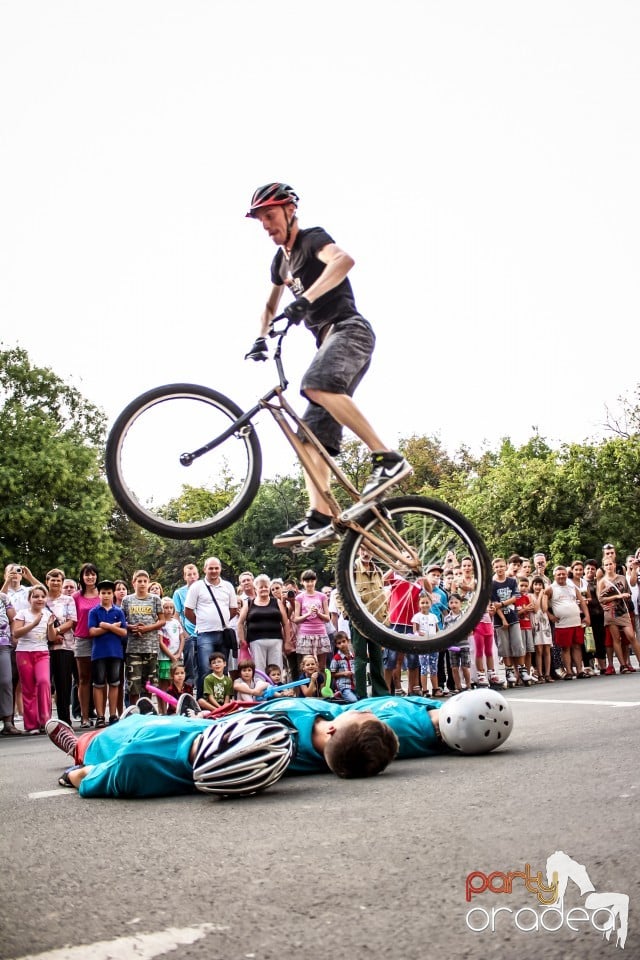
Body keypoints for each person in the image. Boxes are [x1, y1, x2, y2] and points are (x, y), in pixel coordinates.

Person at [244, 182, 411, 547]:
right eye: (261, 220)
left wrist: (307, 299)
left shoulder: (311, 239)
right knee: (308, 436)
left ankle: (388, 459)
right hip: (329, 342)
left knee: (315, 384)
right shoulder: (280, 261)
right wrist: (260, 336)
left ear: (289, 212)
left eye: (270, 216)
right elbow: (270, 305)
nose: (266, 225)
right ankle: (320, 515)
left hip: (351, 331)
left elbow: (343, 261)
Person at [47, 688, 514, 795]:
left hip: (190, 738)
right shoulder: (328, 722)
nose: (364, 706)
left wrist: (83, 777)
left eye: (363, 713)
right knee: (136, 734)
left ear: (334, 731)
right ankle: (83, 743)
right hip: (216, 722)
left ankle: (74, 744)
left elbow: (142, 764)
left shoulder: (280, 747)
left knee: (116, 741)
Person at [184, 557, 237, 698]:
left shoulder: (228, 586)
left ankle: (222, 703)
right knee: (206, 669)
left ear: (220, 569)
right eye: (210, 568)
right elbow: (188, 611)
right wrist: (202, 622)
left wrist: (221, 621)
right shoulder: (197, 586)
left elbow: (233, 609)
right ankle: (203, 702)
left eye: (216, 568)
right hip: (205, 634)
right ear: (204, 569)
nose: (213, 571)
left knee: (222, 671)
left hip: (223, 632)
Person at [13, 584, 57, 733]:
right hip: (24, 653)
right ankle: (31, 725)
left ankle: (45, 721)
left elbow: (51, 638)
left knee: (44, 682)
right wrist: (34, 624)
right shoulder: (22, 613)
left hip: (42, 652)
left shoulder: (47, 614)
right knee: (28, 688)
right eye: (35, 596)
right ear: (29, 599)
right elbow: (16, 633)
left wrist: (50, 626)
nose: (39, 599)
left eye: (42, 596)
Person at [347, 546, 388, 698]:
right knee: (361, 659)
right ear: (357, 551)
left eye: (369, 550)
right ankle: (361, 695)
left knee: (377, 658)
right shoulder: (352, 568)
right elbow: (340, 594)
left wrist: (385, 617)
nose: (366, 553)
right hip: (359, 622)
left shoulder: (378, 570)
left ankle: (381, 693)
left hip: (377, 621)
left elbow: (382, 595)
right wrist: (348, 614)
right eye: (362, 550)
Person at [121, 570, 165, 706]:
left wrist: (147, 628)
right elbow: (122, 621)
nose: (142, 584)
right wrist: (132, 627)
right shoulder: (127, 600)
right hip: (133, 648)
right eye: (139, 581)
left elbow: (162, 621)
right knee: (133, 684)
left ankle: (146, 709)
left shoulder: (155, 599)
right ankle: (134, 711)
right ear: (133, 583)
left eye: (145, 581)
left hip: (150, 647)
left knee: (149, 684)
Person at [88, 580, 127, 726]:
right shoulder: (94, 611)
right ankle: (100, 716)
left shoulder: (118, 611)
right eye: (103, 593)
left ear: (112, 594)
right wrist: (110, 627)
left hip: (115, 652)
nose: (106, 596)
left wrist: (105, 626)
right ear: (99, 594)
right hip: (99, 653)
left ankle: (112, 715)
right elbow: (92, 631)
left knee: (115, 683)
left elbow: (123, 631)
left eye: (109, 593)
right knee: (98, 684)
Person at [236, 574, 289, 674]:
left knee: (276, 670)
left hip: (276, 641)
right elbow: (240, 623)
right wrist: (242, 641)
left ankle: (276, 689)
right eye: (261, 587)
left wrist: (287, 642)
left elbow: (285, 623)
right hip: (256, 642)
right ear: (256, 589)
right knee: (259, 670)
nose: (264, 589)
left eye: (266, 586)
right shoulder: (249, 603)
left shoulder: (277, 602)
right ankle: (261, 689)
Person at [545, 566, 591, 680]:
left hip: (576, 621)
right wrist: (549, 615)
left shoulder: (572, 586)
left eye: (563, 574)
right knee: (565, 648)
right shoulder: (551, 588)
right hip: (562, 624)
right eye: (559, 574)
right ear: (554, 576)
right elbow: (543, 604)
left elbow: (582, 602)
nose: (561, 576)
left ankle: (580, 670)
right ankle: (569, 671)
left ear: (566, 574)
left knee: (577, 646)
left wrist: (587, 616)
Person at [45, 568, 78, 725]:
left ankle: (64, 719)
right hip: (43, 646)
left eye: (59, 580)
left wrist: (56, 631)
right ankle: (44, 719)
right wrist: (51, 636)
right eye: (53, 579)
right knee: (46, 684)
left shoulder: (68, 600)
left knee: (63, 683)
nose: (56, 582)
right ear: (47, 582)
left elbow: (71, 622)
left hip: (65, 646)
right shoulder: (41, 599)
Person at [490, 557, 530, 687]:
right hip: (500, 620)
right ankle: (509, 671)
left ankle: (522, 669)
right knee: (505, 646)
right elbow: (494, 605)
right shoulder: (492, 584)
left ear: (506, 566)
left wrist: (502, 603)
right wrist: (502, 619)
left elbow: (514, 598)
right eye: (497, 567)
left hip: (513, 617)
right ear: (493, 569)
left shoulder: (512, 581)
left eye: (501, 566)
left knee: (518, 644)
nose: (499, 569)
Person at [72, 563, 101, 728]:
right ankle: (84, 717)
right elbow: (73, 619)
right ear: (82, 577)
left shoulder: (102, 594)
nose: (90, 577)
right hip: (83, 640)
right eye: (87, 575)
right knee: (83, 679)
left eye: (93, 574)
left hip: (101, 640)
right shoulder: (76, 596)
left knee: (100, 678)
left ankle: (100, 714)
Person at [293, 570, 331, 672]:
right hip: (305, 634)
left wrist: (318, 613)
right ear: (302, 582)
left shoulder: (322, 596)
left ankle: (322, 687)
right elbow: (296, 619)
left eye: (312, 580)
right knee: (307, 666)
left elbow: (328, 618)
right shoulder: (299, 598)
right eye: (307, 581)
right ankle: (308, 688)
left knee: (322, 666)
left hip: (321, 633)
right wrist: (307, 614)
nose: (309, 583)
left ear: (315, 581)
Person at [172, 563, 199, 690]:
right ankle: (188, 687)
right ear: (184, 576)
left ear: (198, 575)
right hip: (188, 632)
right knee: (189, 661)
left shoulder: (204, 590)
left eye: (194, 574)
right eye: (189, 575)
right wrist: (183, 633)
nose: (192, 577)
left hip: (204, 632)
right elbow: (176, 615)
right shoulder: (179, 593)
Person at [157, 597, 186, 713]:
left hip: (178, 657)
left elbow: (182, 638)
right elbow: (160, 642)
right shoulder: (160, 623)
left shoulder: (176, 622)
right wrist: (171, 656)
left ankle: (175, 709)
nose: (168, 610)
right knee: (163, 685)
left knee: (177, 683)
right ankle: (162, 711)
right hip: (164, 658)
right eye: (165, 607)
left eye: (171, 607)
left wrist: (179, 653)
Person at [411, 593, 440, 697]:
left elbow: (437, 630)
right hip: (423, 646)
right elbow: (415, 630)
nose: (425, 605)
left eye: (427, 602)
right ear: (419, 604)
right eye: (422, 602)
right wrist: (419, 634)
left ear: (431, 604)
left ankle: (435, 688)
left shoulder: (434, 617)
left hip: (433, 645)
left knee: (434, 667)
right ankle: (425, 690)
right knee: (424, 667)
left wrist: (438, 639)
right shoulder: (417, 617)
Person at [0, 590, 20, 735]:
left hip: (3, 644)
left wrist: (14, 636)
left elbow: (13, 618)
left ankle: (8, 722)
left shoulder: (3, 597)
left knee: (6, 681)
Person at [329, 631, 357, 702]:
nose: (342, 644)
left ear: (347, 641)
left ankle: (340, 695)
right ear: (336, 645)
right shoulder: (336, 658)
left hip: (354, 684)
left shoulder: (353, 656)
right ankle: (340, 693)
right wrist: (343, 673)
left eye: (344, 641)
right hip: (344, 686)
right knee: (353, 701)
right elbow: (332, 674)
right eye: (339, 643)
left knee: (362, 699)